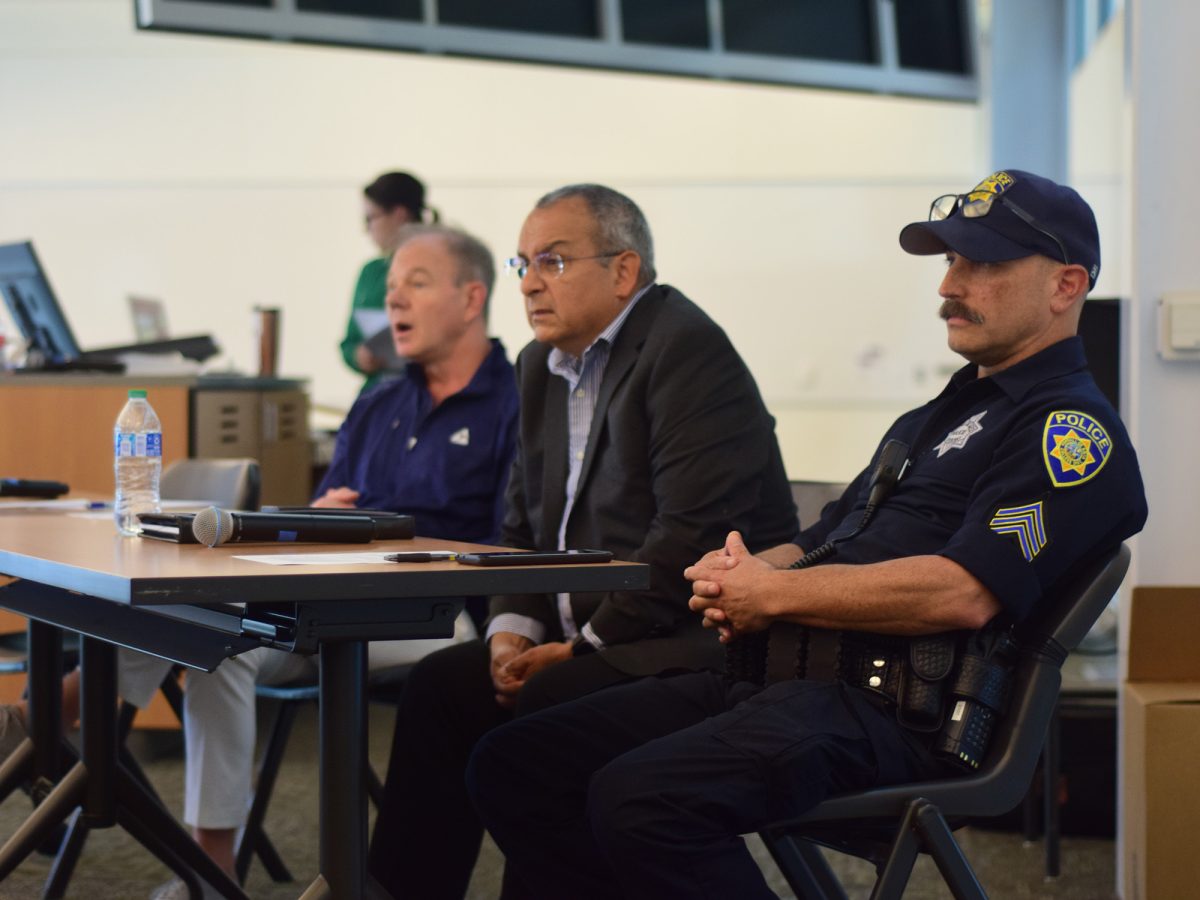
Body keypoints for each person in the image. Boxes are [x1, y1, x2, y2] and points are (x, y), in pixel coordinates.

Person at [465, 170, 1150, 900]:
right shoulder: (933, 419)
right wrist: (744, 571)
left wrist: (776, 594)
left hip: (893, 714)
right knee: (515, 762)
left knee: (644, 801)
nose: (950, 285)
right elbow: (825, 535)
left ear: (1066, 285)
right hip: (787, 683)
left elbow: (963, 592)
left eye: (983, 264)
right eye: (950, 262)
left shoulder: (1069, 434)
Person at [0, 223, 520, 896]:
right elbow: (328, 507)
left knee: (218, 618)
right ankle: (211, 869)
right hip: (328, 596)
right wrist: (324, 516)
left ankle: (52, 712)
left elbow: (517, 534)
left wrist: (371, 532)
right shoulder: (381, 397)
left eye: (415, 285)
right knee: (221, 640)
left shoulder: (515, 399)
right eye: (389, 289)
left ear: (471, 296)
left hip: (438, 613)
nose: (393, 303)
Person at [367, 184, 799, 899]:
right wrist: (510, 631)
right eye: (524, 263)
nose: (531, 282)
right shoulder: (539, 367)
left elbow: (685, 544)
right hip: (591, 639)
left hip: (698, 644)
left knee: (554, 701)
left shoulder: (686, 350)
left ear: (624, 271)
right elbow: (521, 530)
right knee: (443, 686)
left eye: (554, 262)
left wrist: (580, 648)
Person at [340, 170, 439, 392]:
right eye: (392, 284)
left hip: (425, 391)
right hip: (379, 393)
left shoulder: (443, 267)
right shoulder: (371, 272)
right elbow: (349, 342)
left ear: (399, 215)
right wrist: (358, 356)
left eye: (370, 218)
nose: (366, 229)